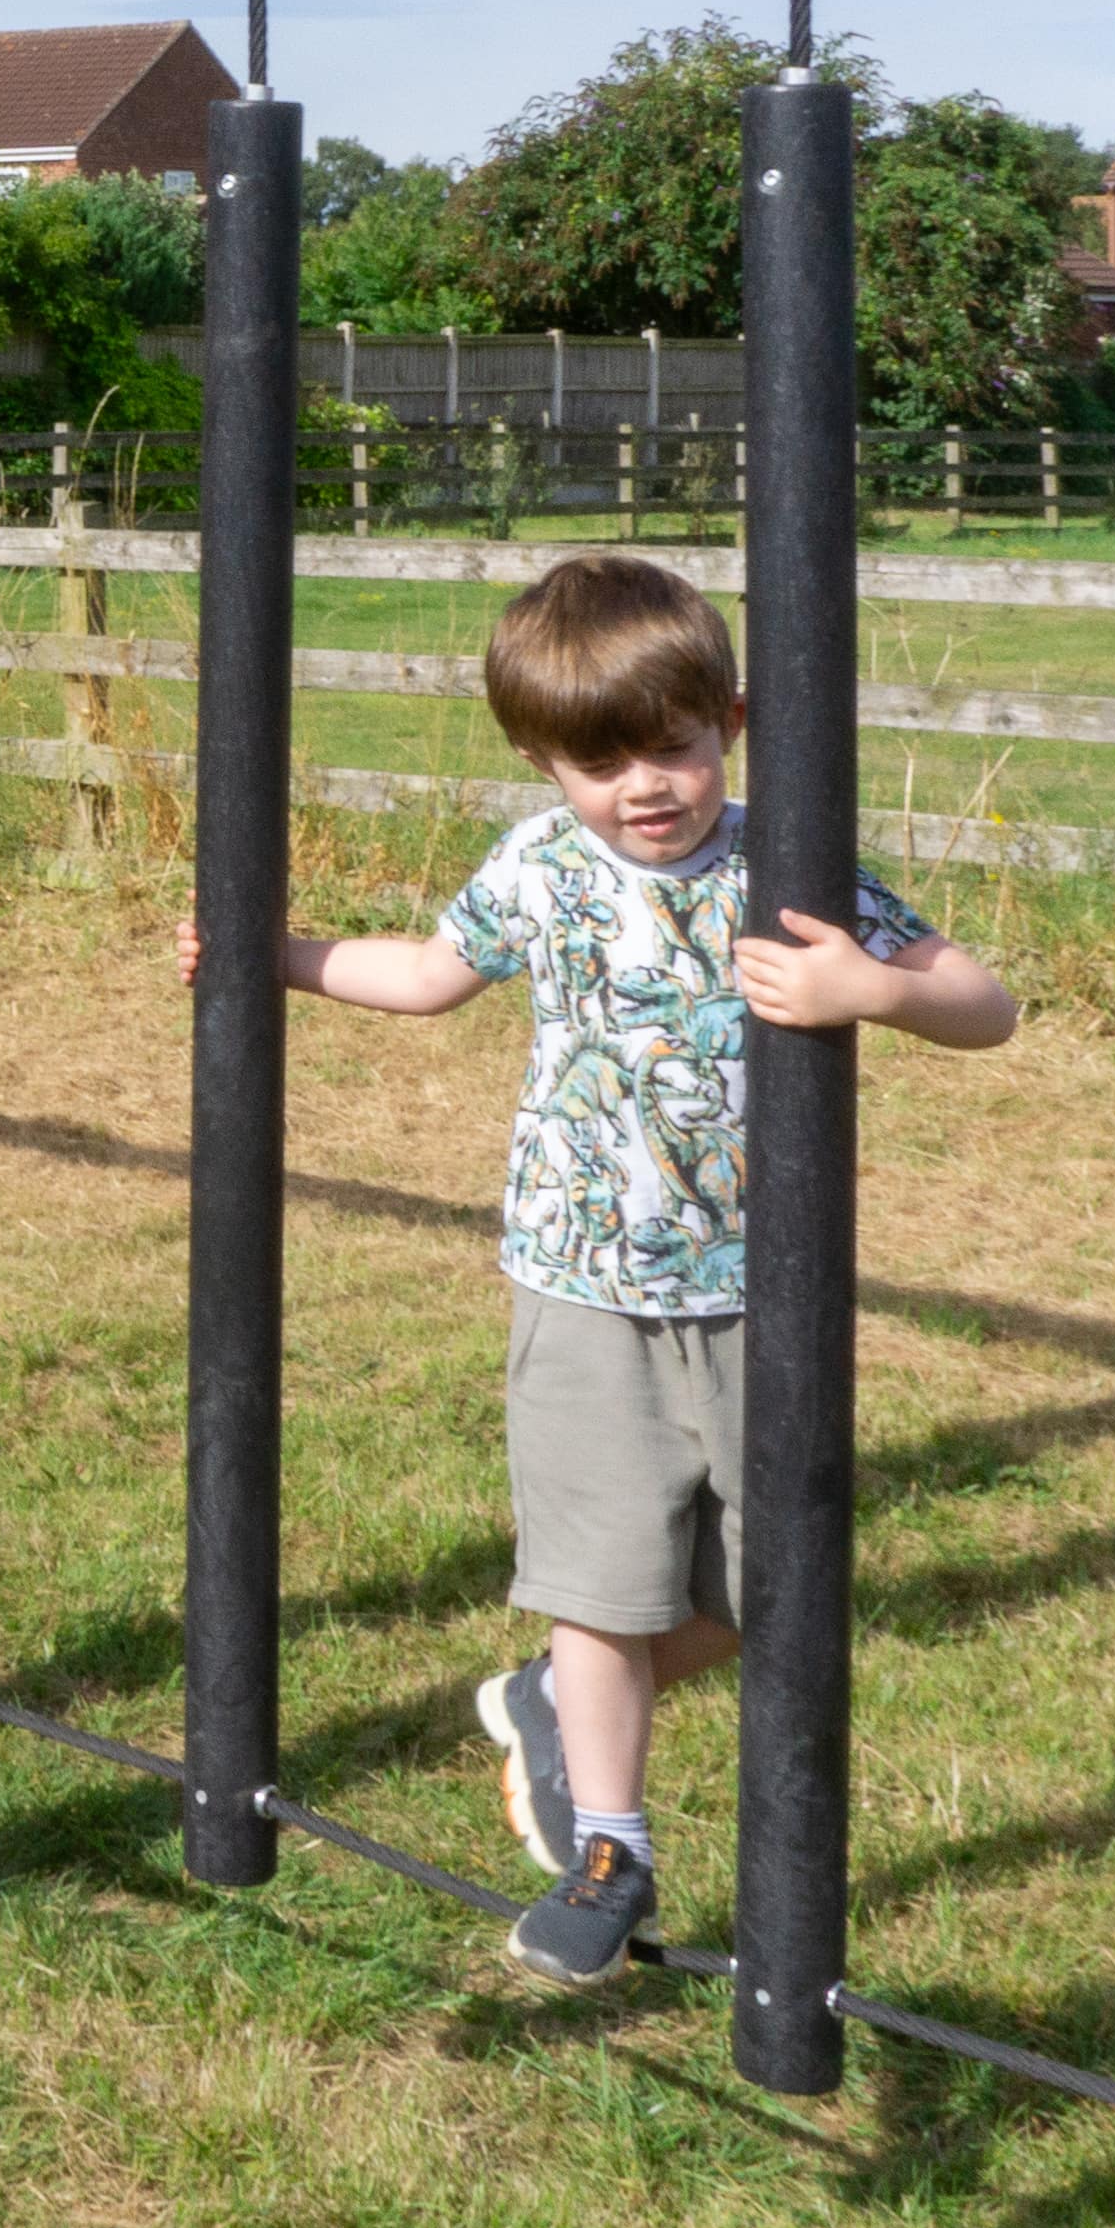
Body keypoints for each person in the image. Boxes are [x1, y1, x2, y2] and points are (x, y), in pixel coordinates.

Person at [184, 549, 1016, 1987]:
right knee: (604, 1583)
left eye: (675, 747)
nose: (646, 783)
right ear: (538, 757)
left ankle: (545, 1705)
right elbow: (434, 974)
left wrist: (870, 987)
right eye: (599, 757)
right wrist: (288, 955)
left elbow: (985, 1001)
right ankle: (612, 1847)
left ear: (732, 724)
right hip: (579, 1287)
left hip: (765, 1291)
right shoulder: (538, 865)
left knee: (774, 1591)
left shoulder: (788, 863)